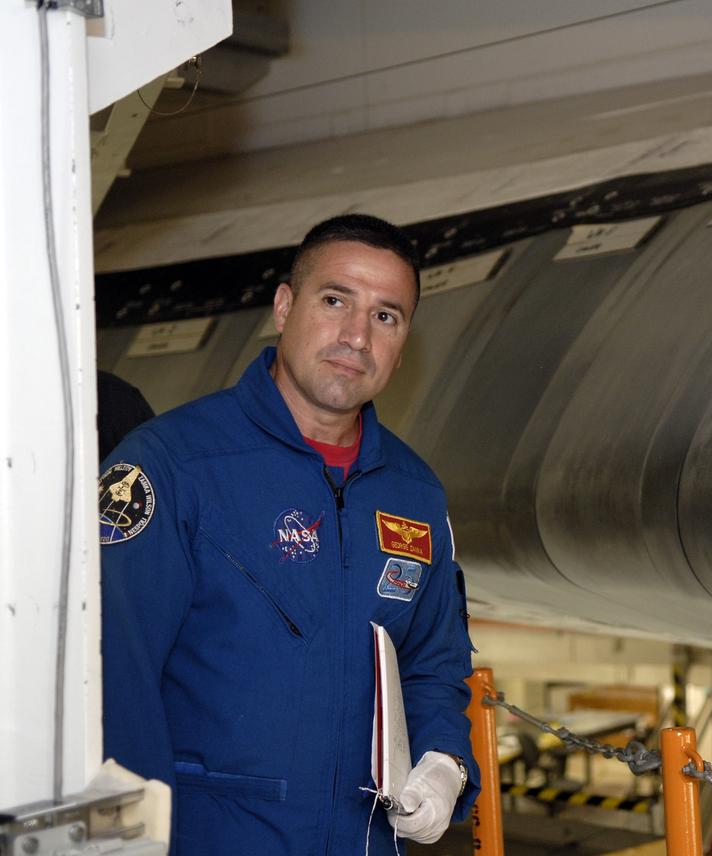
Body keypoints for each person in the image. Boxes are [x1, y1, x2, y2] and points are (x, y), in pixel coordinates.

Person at [98, 214, 479, 855]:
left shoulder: (413, 494)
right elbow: (114, 681)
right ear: (284, 306)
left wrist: (445, 761)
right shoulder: (172, 467)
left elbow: (434, 663)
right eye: (335, 301)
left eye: (387, 316)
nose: (356, 335)